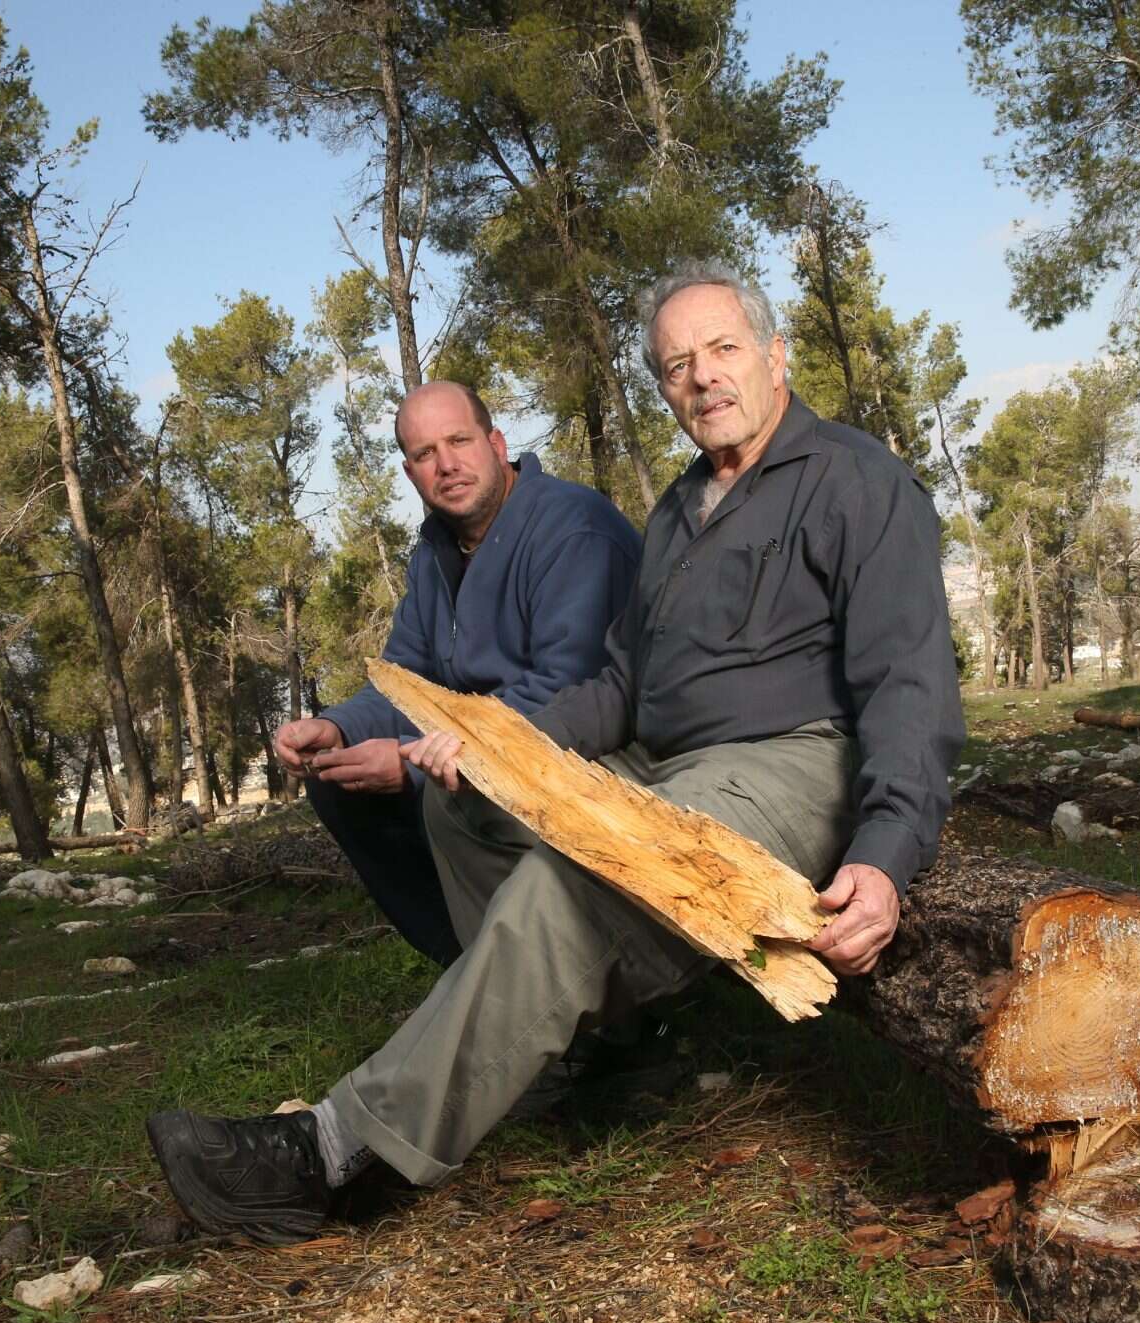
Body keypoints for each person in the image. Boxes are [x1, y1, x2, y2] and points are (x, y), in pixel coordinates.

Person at [146, 263, 965, 1242]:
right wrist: (501, 750)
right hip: (662, 757)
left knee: (568, 885)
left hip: (788, 761)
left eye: (722, 350)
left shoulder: (854, 483)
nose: (701, 379)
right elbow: (616, 685)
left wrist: (880, 855)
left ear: (773, 354)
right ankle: (609, 1046)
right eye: (675, 366)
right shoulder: (676, 512)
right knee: (465, 806)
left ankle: (334, 1154)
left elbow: (909, 688)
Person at [270, 380, 640, 966]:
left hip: (582, 764)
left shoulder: (573, 528)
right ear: (410, 472)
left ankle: (597, 1005)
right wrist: (339, 729)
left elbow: (570, 694)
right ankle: (473, 971)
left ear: (496, 443)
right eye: (424, 454)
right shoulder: (435, 553)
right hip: (472, 758)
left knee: (443, 798)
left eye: (459, 441)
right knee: (338, 784)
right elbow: (403, 680)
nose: (446, 465)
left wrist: (416, 760)